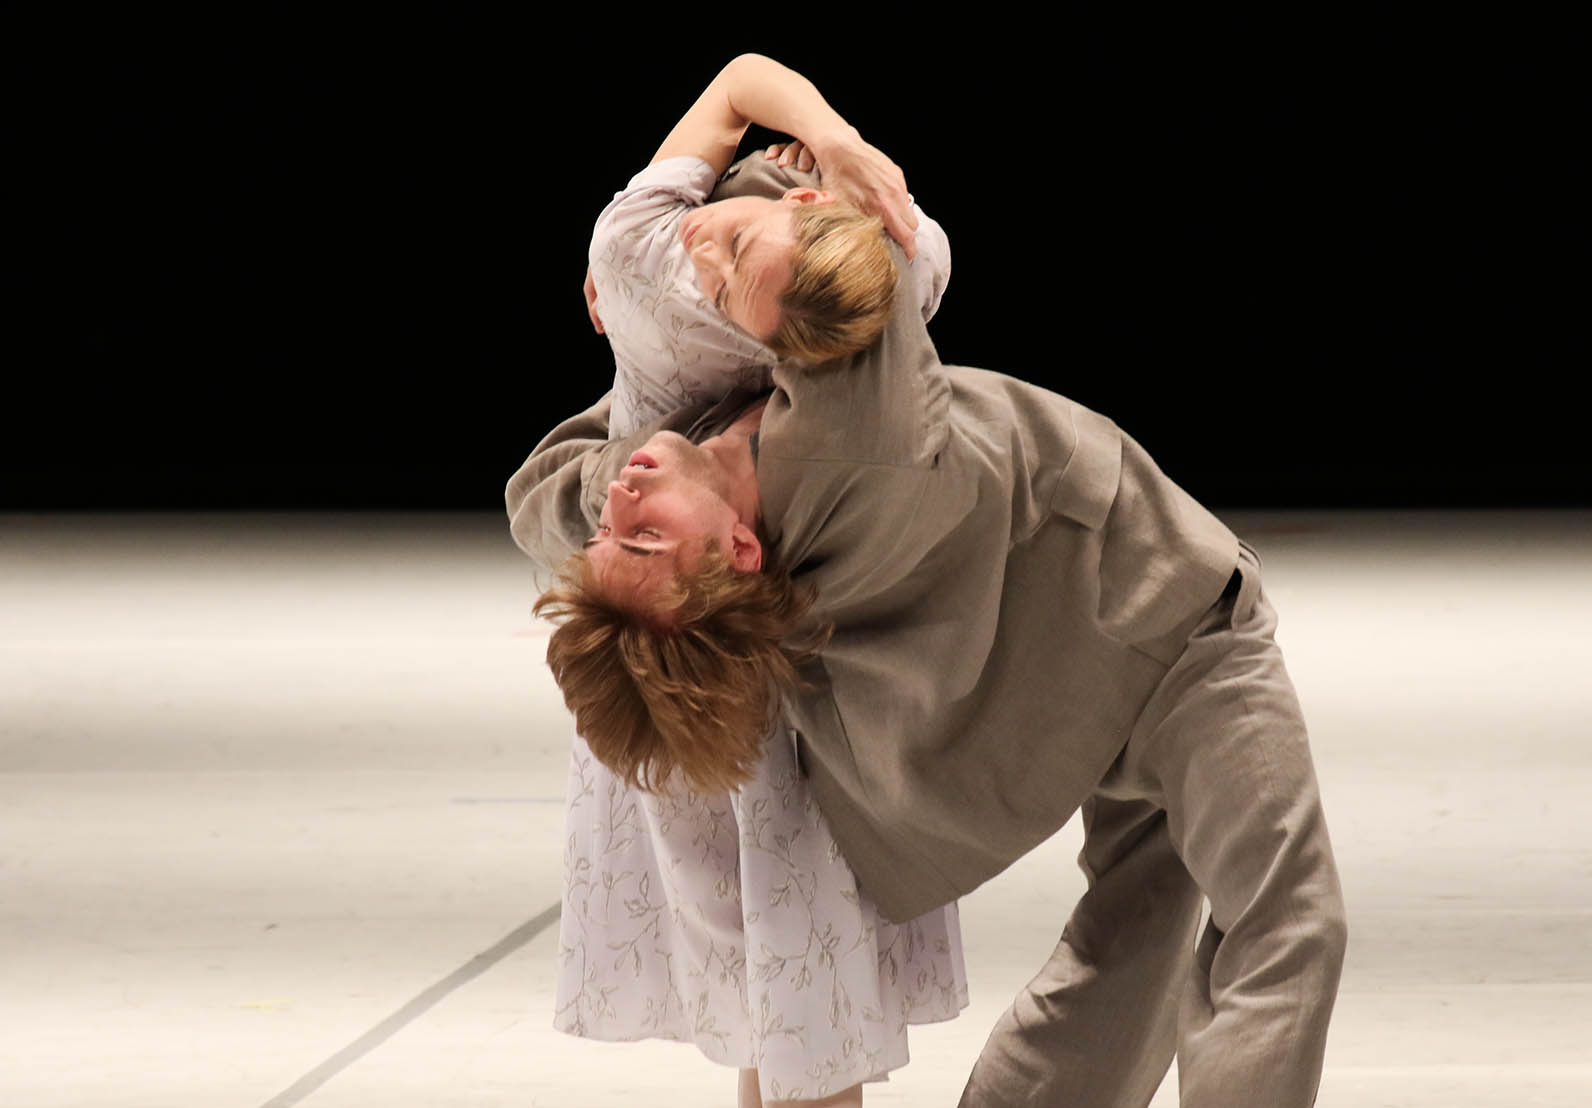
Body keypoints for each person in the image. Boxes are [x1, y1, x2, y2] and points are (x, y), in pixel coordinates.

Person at [509, 75, 1350, 1100]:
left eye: (615, 532)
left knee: (1130, 946)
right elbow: (878, 261)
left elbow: (542, 496)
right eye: (646, 539)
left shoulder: (666, 478)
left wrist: (657, 357)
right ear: (738, 552)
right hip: (1168, 623)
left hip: (1077, 680)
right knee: (1286, 921)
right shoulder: (858, 438)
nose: (625, 501)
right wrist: (801, 168)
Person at [537, 55, 966, 1108]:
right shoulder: (885, 294)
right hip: (712, 682)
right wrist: (836, 145)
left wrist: (823, 151)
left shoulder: (645, 268)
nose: (703, 240)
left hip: (734, 679)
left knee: (779, 1015)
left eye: (729, 241)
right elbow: (748, 96)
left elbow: (735, 95)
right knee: (786, 1013)